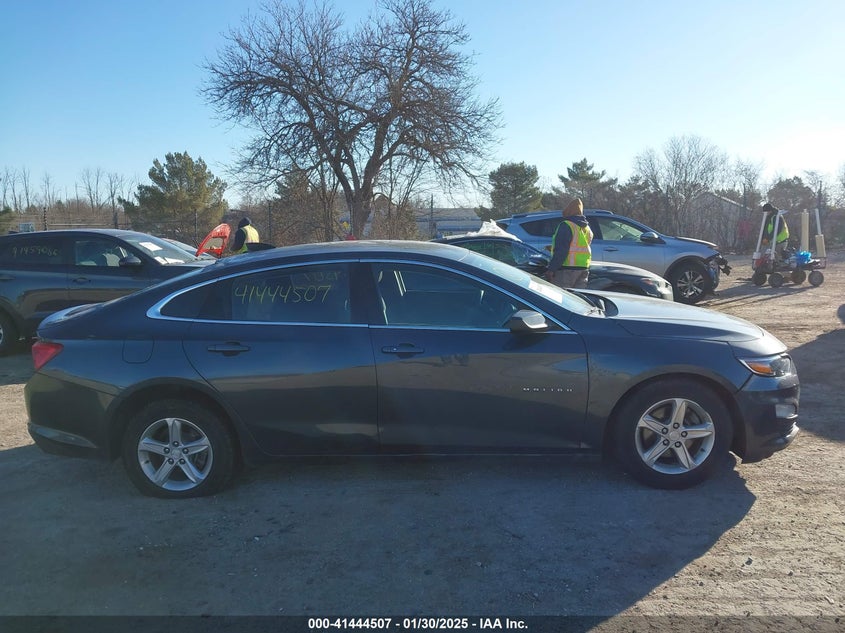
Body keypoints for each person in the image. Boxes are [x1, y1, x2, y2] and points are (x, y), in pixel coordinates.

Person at [544, 198, 593, 289]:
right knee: (577, 296)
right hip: (584, 268)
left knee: (561, 295)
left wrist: (551, 269)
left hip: (567, 269)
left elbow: (562, 250)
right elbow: (579, 246)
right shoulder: (587, 228)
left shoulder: (566, 225)